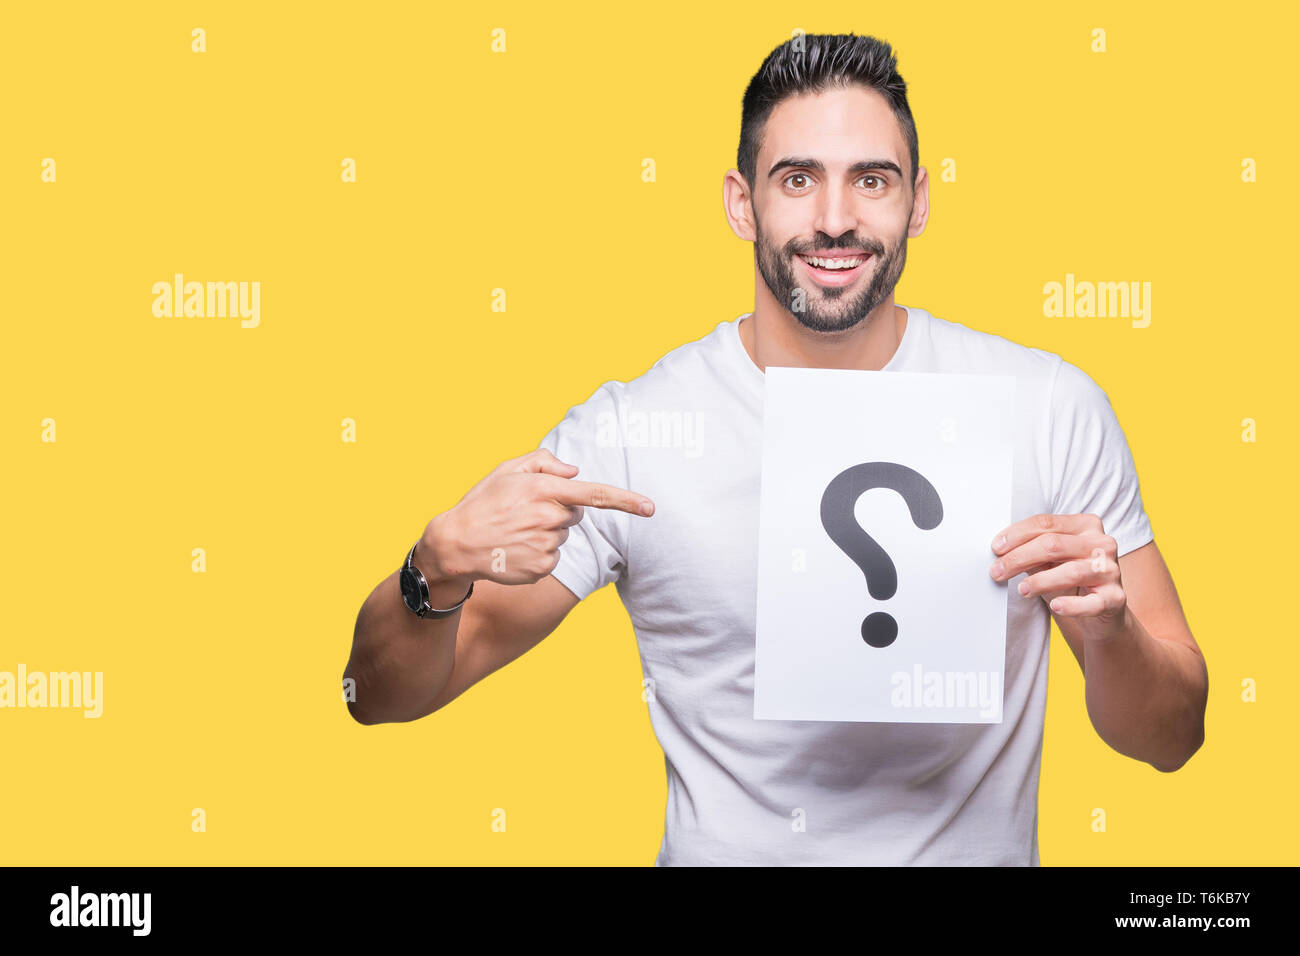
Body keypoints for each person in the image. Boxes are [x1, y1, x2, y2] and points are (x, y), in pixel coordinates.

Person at [343, 32, 1207, 866]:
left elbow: (1175, 737)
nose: (836, 220)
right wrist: (435, 568)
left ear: (921, 200)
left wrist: (1111, 631)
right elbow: (380, 699)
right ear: (741, 202)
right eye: (798, 180)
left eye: (872, 180)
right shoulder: (633, 435)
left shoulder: (1048, 407)